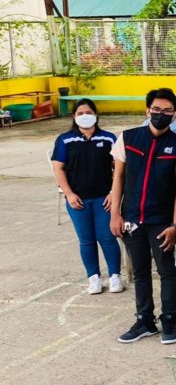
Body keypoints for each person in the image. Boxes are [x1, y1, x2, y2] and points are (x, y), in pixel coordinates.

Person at [111, 88, 176, 344]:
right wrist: (115, 214)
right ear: (147, 111)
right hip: (132, 219)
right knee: (140, 271)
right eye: (156, 110)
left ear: (174, 115)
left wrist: (175, 224)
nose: (160, 114)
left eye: (167, 111)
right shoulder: (128, 138)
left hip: (162, 222)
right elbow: (119, 178)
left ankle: (169, 320)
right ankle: (144, 320)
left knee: (167, 271)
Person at [52, 98, 122, 295]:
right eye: (80, 113)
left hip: (103, 199)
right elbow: (58, 168)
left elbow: (119, 169)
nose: (85, 116)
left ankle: (115, 275)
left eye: (88, 112)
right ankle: (94, 278)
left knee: (107, 237)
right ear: (74, 117)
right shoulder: (65, 140)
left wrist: (113, 194)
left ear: (96, 115)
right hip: (78, 200)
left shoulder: (108, 138)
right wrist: (69, 194)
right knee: (86, 240)